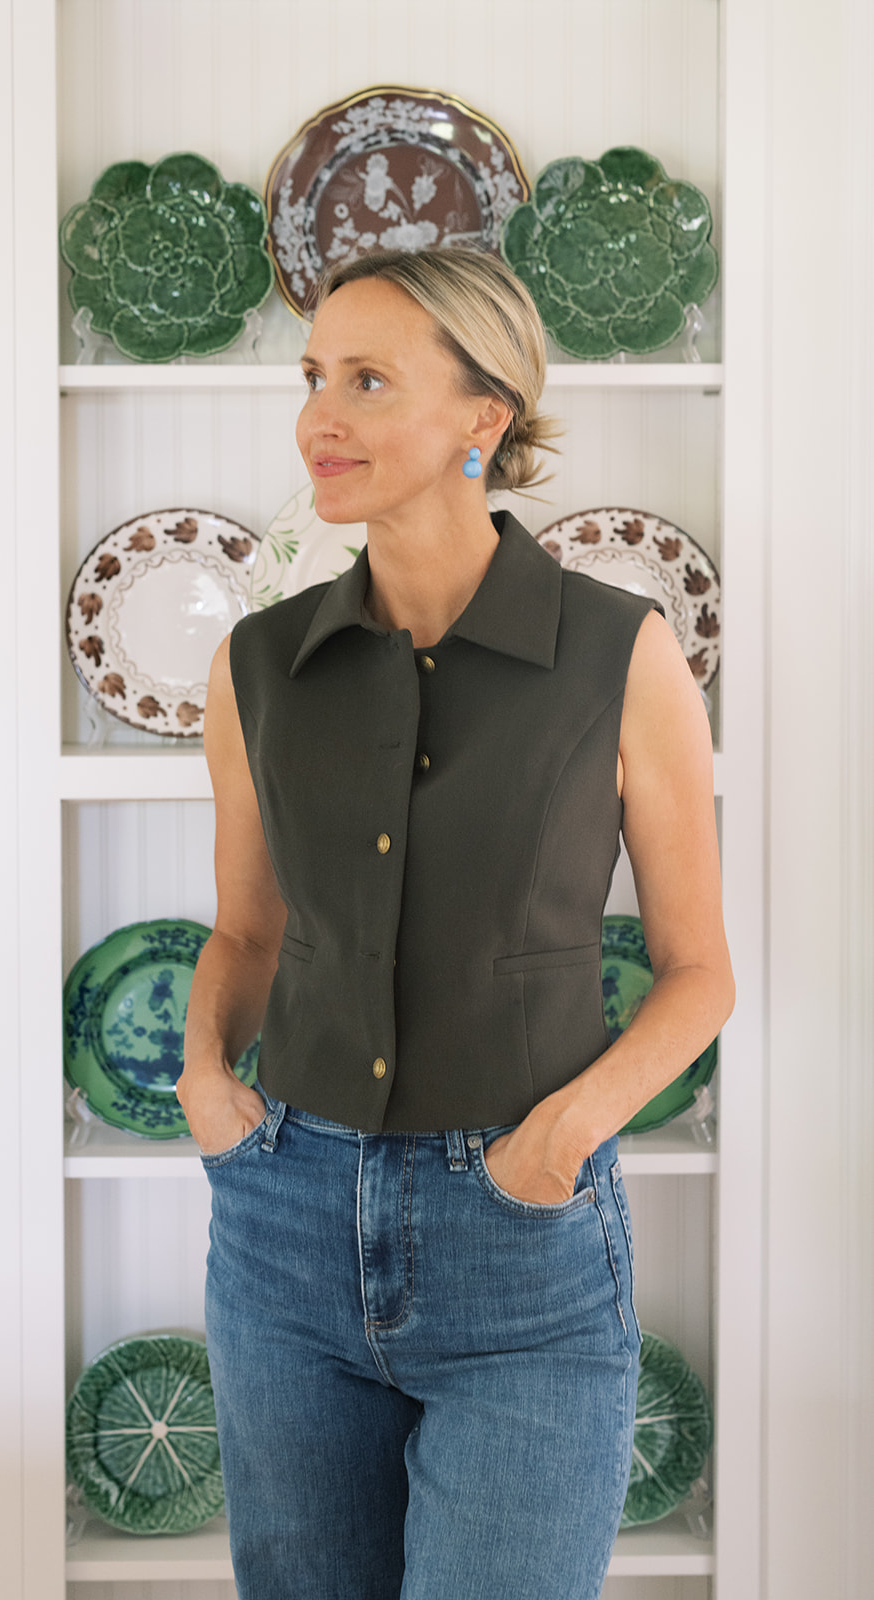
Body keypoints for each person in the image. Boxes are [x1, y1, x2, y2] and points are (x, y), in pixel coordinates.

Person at [178, 247, 734, 1600]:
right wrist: (201, 1076)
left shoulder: (621, 653)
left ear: (486, 413)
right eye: (314, 378)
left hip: (521, 1240)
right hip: (284, 1227)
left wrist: (560, 1140)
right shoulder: (259, 667)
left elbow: (698, 974)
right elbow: (246, 933)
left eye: (368, 382)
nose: (320, 418)